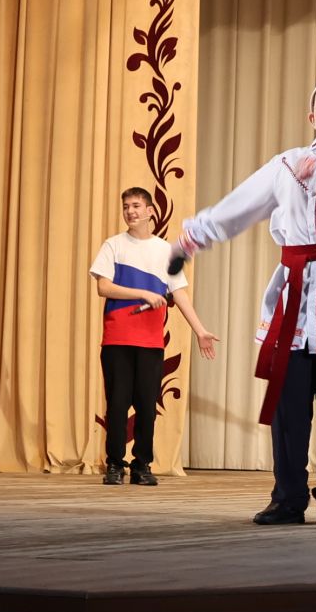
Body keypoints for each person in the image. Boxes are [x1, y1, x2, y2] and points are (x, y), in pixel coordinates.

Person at [171, 64, 316, 525]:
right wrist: (193, 236)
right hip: (292, 294)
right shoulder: (287, 162)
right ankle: (288, 497)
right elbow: (241, 204)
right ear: (310, 115)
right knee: (289, 406)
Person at [90, 186, 219, 487]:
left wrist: (200, 331)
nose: (130, 211)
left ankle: (142, 465)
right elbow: (104, 287)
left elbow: (181, 296)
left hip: (150, 341)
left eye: (136, 205)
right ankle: (114, 464)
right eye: (126, 207)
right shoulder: (113, 245)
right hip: (117, 339)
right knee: (118, 403)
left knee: (147, 405)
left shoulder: (165, 251)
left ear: (150, 211)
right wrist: (144, 293)